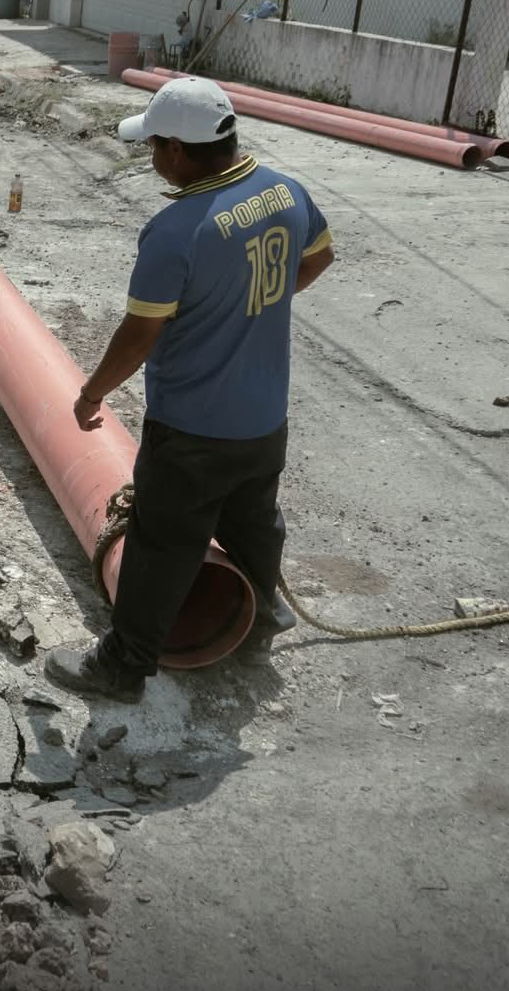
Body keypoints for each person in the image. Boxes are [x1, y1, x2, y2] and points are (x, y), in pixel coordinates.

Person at [44, 77, 337, 701]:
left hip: (193, 429)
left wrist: (92, 394)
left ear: (177, 150)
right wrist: (253, 305)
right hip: (264, 418)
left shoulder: (176, 231)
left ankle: (122, 666)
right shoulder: (285, 191)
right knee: (254, 521)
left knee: (162, 542)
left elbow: (138, 335)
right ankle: (259, 625)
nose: (151, 158)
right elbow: (319, 256)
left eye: (153, 145)